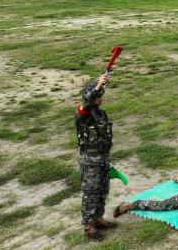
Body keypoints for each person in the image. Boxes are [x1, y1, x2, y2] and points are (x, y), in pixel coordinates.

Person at [76, 74, 116, 241]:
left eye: (101, 95)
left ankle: (98, 219)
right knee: (91, 193)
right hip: (90, 161)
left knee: (102, 191)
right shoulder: (82, 114)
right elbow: (86, 103)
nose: (101, 98)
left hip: (103, 159)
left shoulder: (100, 113)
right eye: (98, 95)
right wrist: (97, 85)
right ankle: (89, 226)